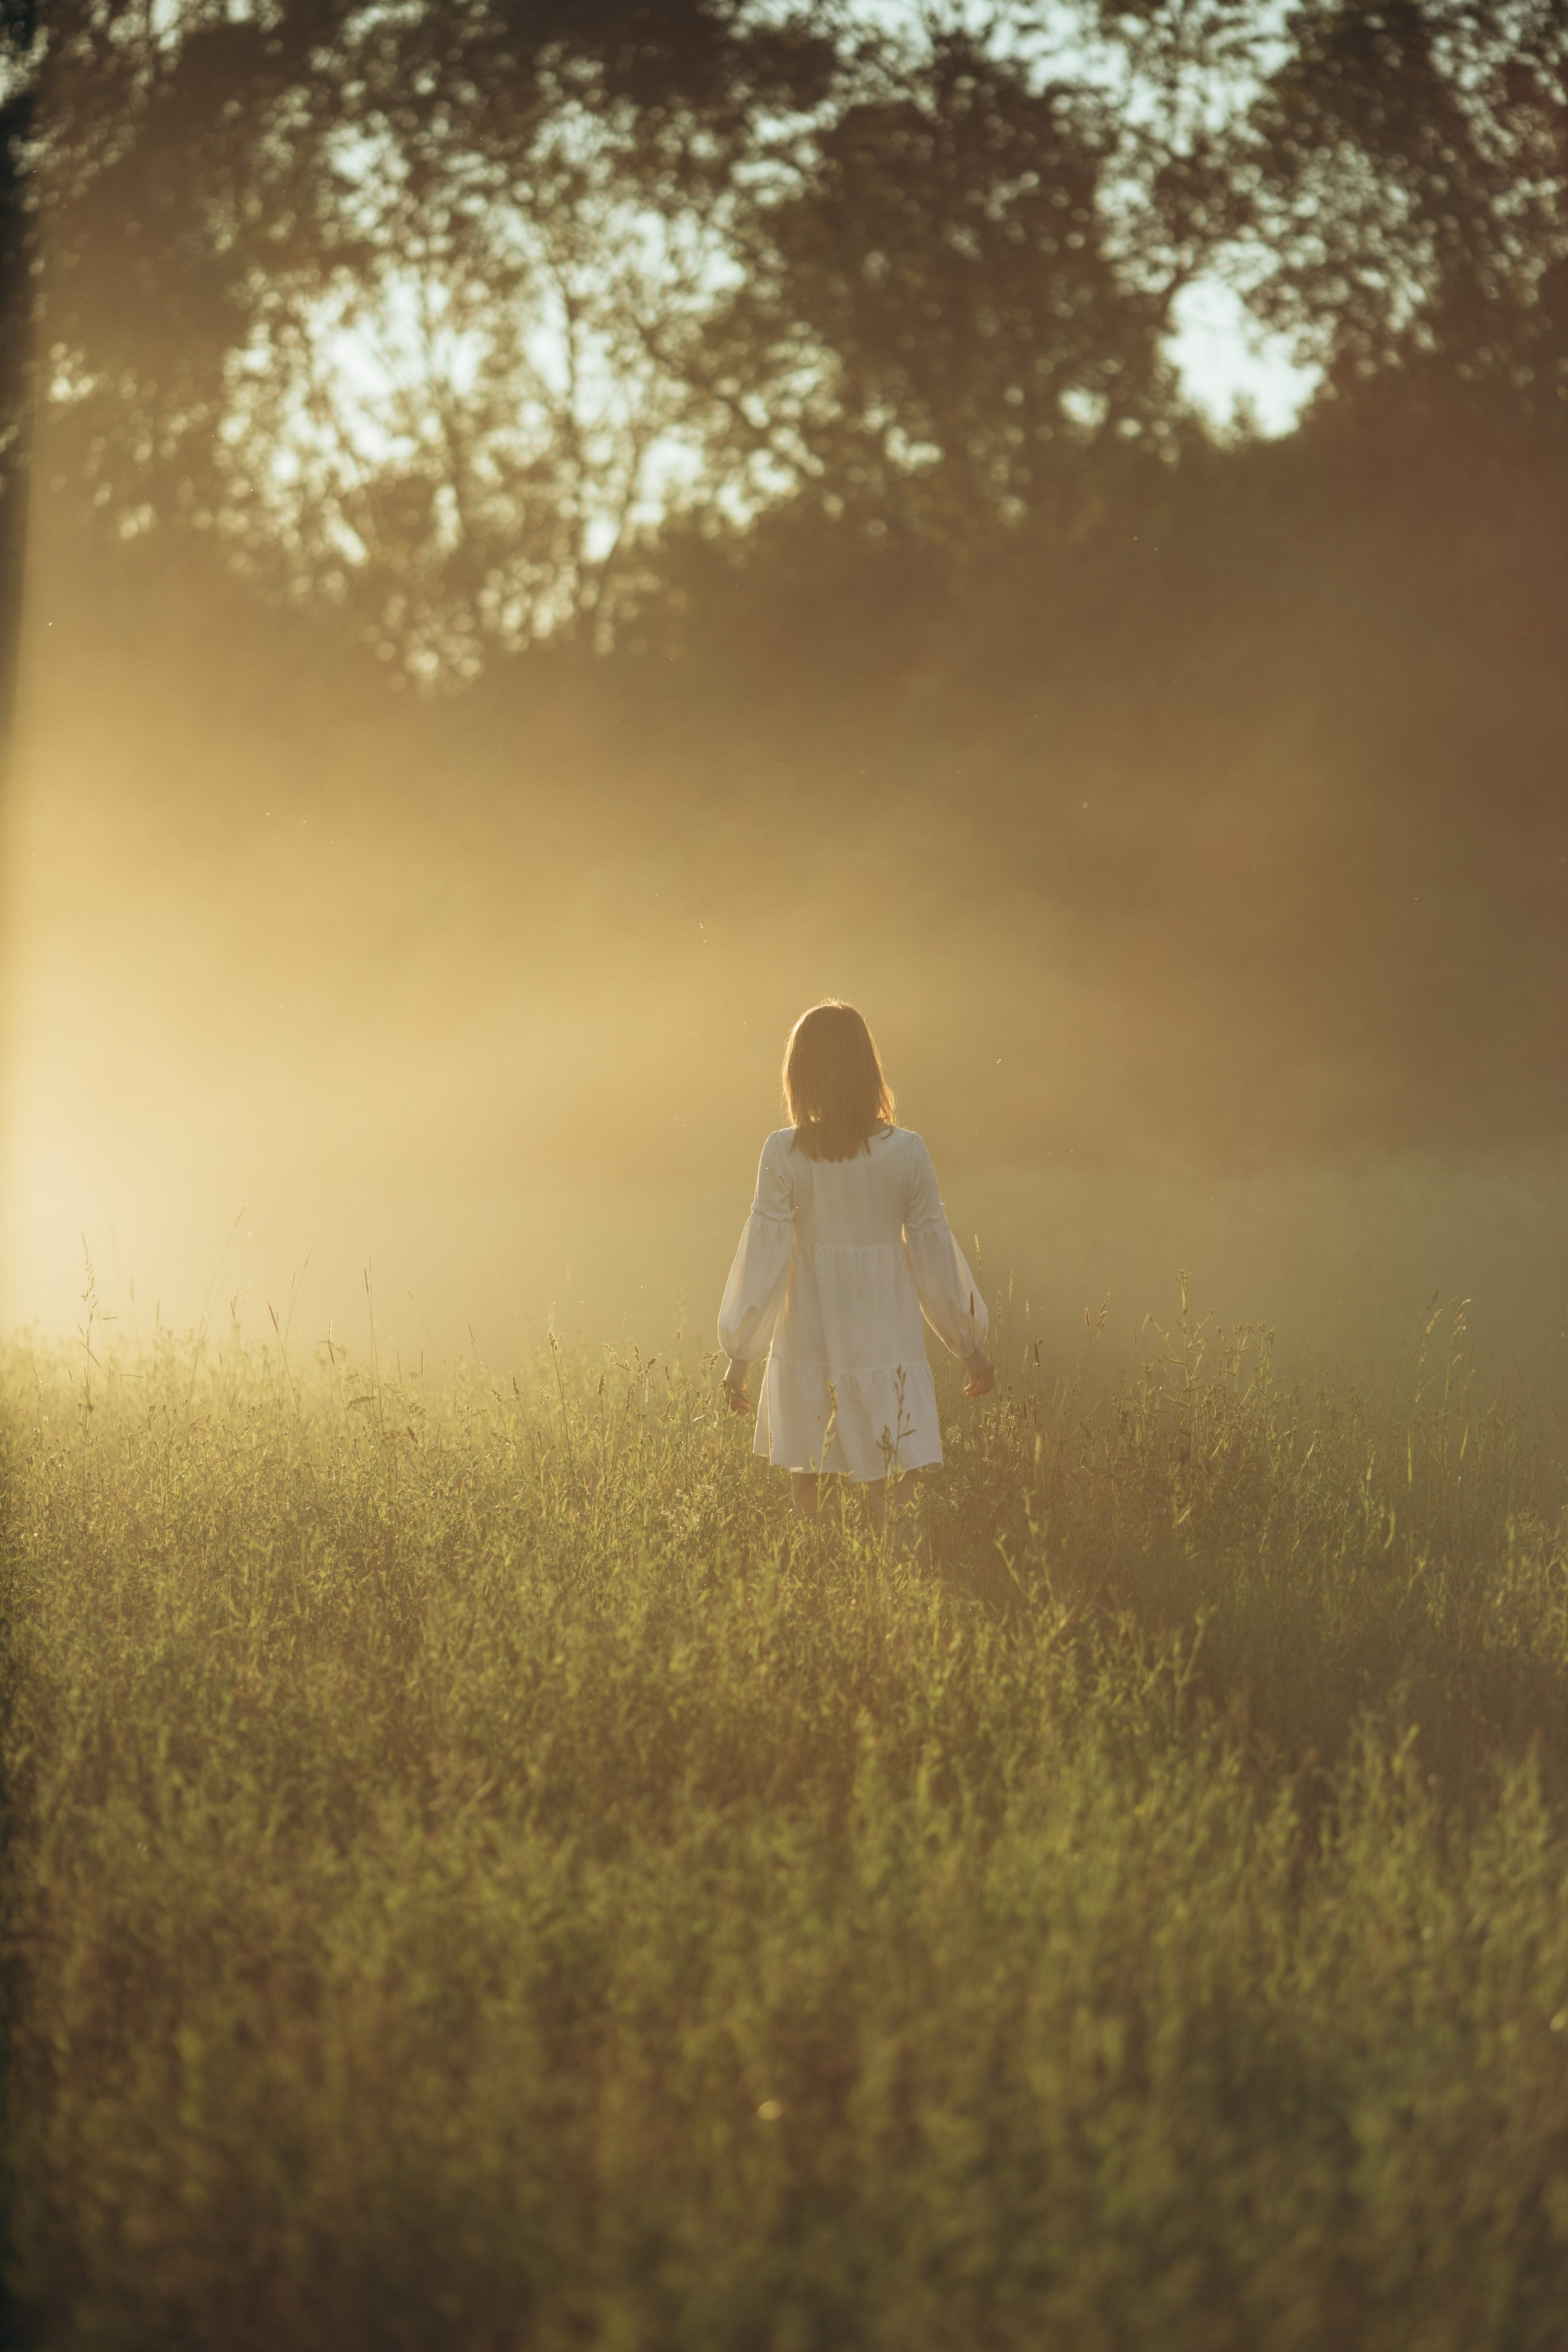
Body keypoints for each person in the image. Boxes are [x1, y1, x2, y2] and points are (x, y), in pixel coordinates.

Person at [718, 999, 995, 1546]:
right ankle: (896, 1596)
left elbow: (764, 1261)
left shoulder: (784, 1152)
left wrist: (739, 1359)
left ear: (800, 1075)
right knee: (896, 1492)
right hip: (884, 1338)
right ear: (868, 1069)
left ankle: (825, 1590)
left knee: (809, 1491)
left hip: (808, 1335)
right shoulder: (907, 1152)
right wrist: (970, 1348)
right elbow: (934, 1260)